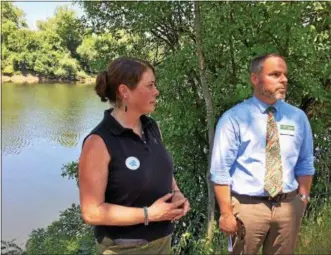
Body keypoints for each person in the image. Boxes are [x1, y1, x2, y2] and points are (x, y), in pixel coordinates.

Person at [79, 57, 190, 254]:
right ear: (124, 91)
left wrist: (177, 193)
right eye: (150, 85)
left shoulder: (151, 127)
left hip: (163, 242)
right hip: (125, 248)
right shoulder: (98, 142)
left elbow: (161, 169)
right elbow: (91, 212)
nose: (156, 91)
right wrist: (148, 214)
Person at [210, 53, 315, 254]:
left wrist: (302, 198)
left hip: (288, 207)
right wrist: (225, 213)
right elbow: (220, 170)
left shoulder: (297, 117)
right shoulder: (234, 119)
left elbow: (305, 161)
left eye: (285, 75)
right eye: (275, 74)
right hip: (247, 208)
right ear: (255, 78)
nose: (283, 79)